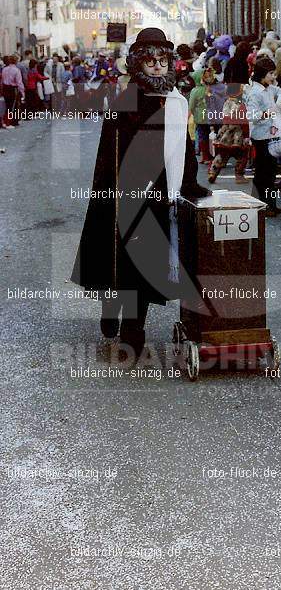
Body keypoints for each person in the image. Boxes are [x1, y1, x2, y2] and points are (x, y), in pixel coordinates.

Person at [71, 27, 210, 358]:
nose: (158, 67)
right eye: (150, 62)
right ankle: (110, 310)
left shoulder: (176, 101)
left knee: (145, 265)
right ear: (138, 65)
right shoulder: (126, 103)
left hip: (160, 198)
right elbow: (109, 157)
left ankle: (134, 328)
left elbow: (184, 149)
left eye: (163, 61)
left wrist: (188, 183)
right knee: (115, 262)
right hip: (123, 196)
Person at [245, 57, 281, 217]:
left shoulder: (268, 88)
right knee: (263, 172)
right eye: (271, 73)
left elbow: (280, 91)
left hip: (270, 134)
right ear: (262, 74)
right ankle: (262, 204)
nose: (273, 76)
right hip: (261, 136)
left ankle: (270, 204)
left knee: (271, 171)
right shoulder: (255, 92)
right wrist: (271, 111)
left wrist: (280, 99)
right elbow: (252, 115)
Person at [208, 83, 250, 184]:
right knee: (242, 155)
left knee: (221, 155)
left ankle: (213, 172)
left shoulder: (226, 102)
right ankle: (239, 176)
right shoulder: (241, 105)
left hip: (225, 133)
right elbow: (244, 121)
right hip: (237, 134)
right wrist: (246, 135)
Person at [1, 55, 24, 126]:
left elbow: (2, 80)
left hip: (5, 88)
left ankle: (8, 120)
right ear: (16, 61)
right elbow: (19, 82)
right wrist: (22, 92)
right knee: (14, 105)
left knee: (8, 105)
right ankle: (12, 121)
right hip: (13, 88)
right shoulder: (16, 70)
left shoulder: (4, 69)